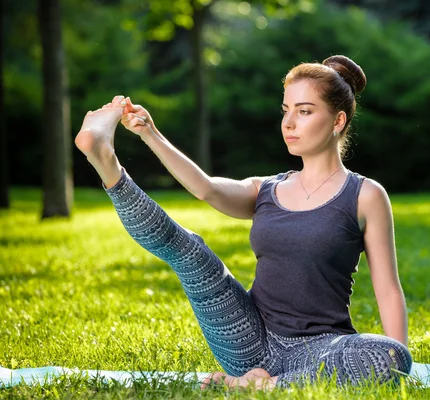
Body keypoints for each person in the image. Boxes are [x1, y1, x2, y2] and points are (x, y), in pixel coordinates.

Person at [74, 55, 412, 390]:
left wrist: (399, 360)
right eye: (286, 110)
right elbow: (206, 188)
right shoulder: (267, 189)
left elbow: (387, 288)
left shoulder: (365, 195)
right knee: (189, 250)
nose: (289, 122)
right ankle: (108, 166)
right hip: (247, 338)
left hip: (320, 351)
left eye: (304, 111)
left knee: (387, 354)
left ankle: (260, 386)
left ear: (337, 121)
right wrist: (150, 133)